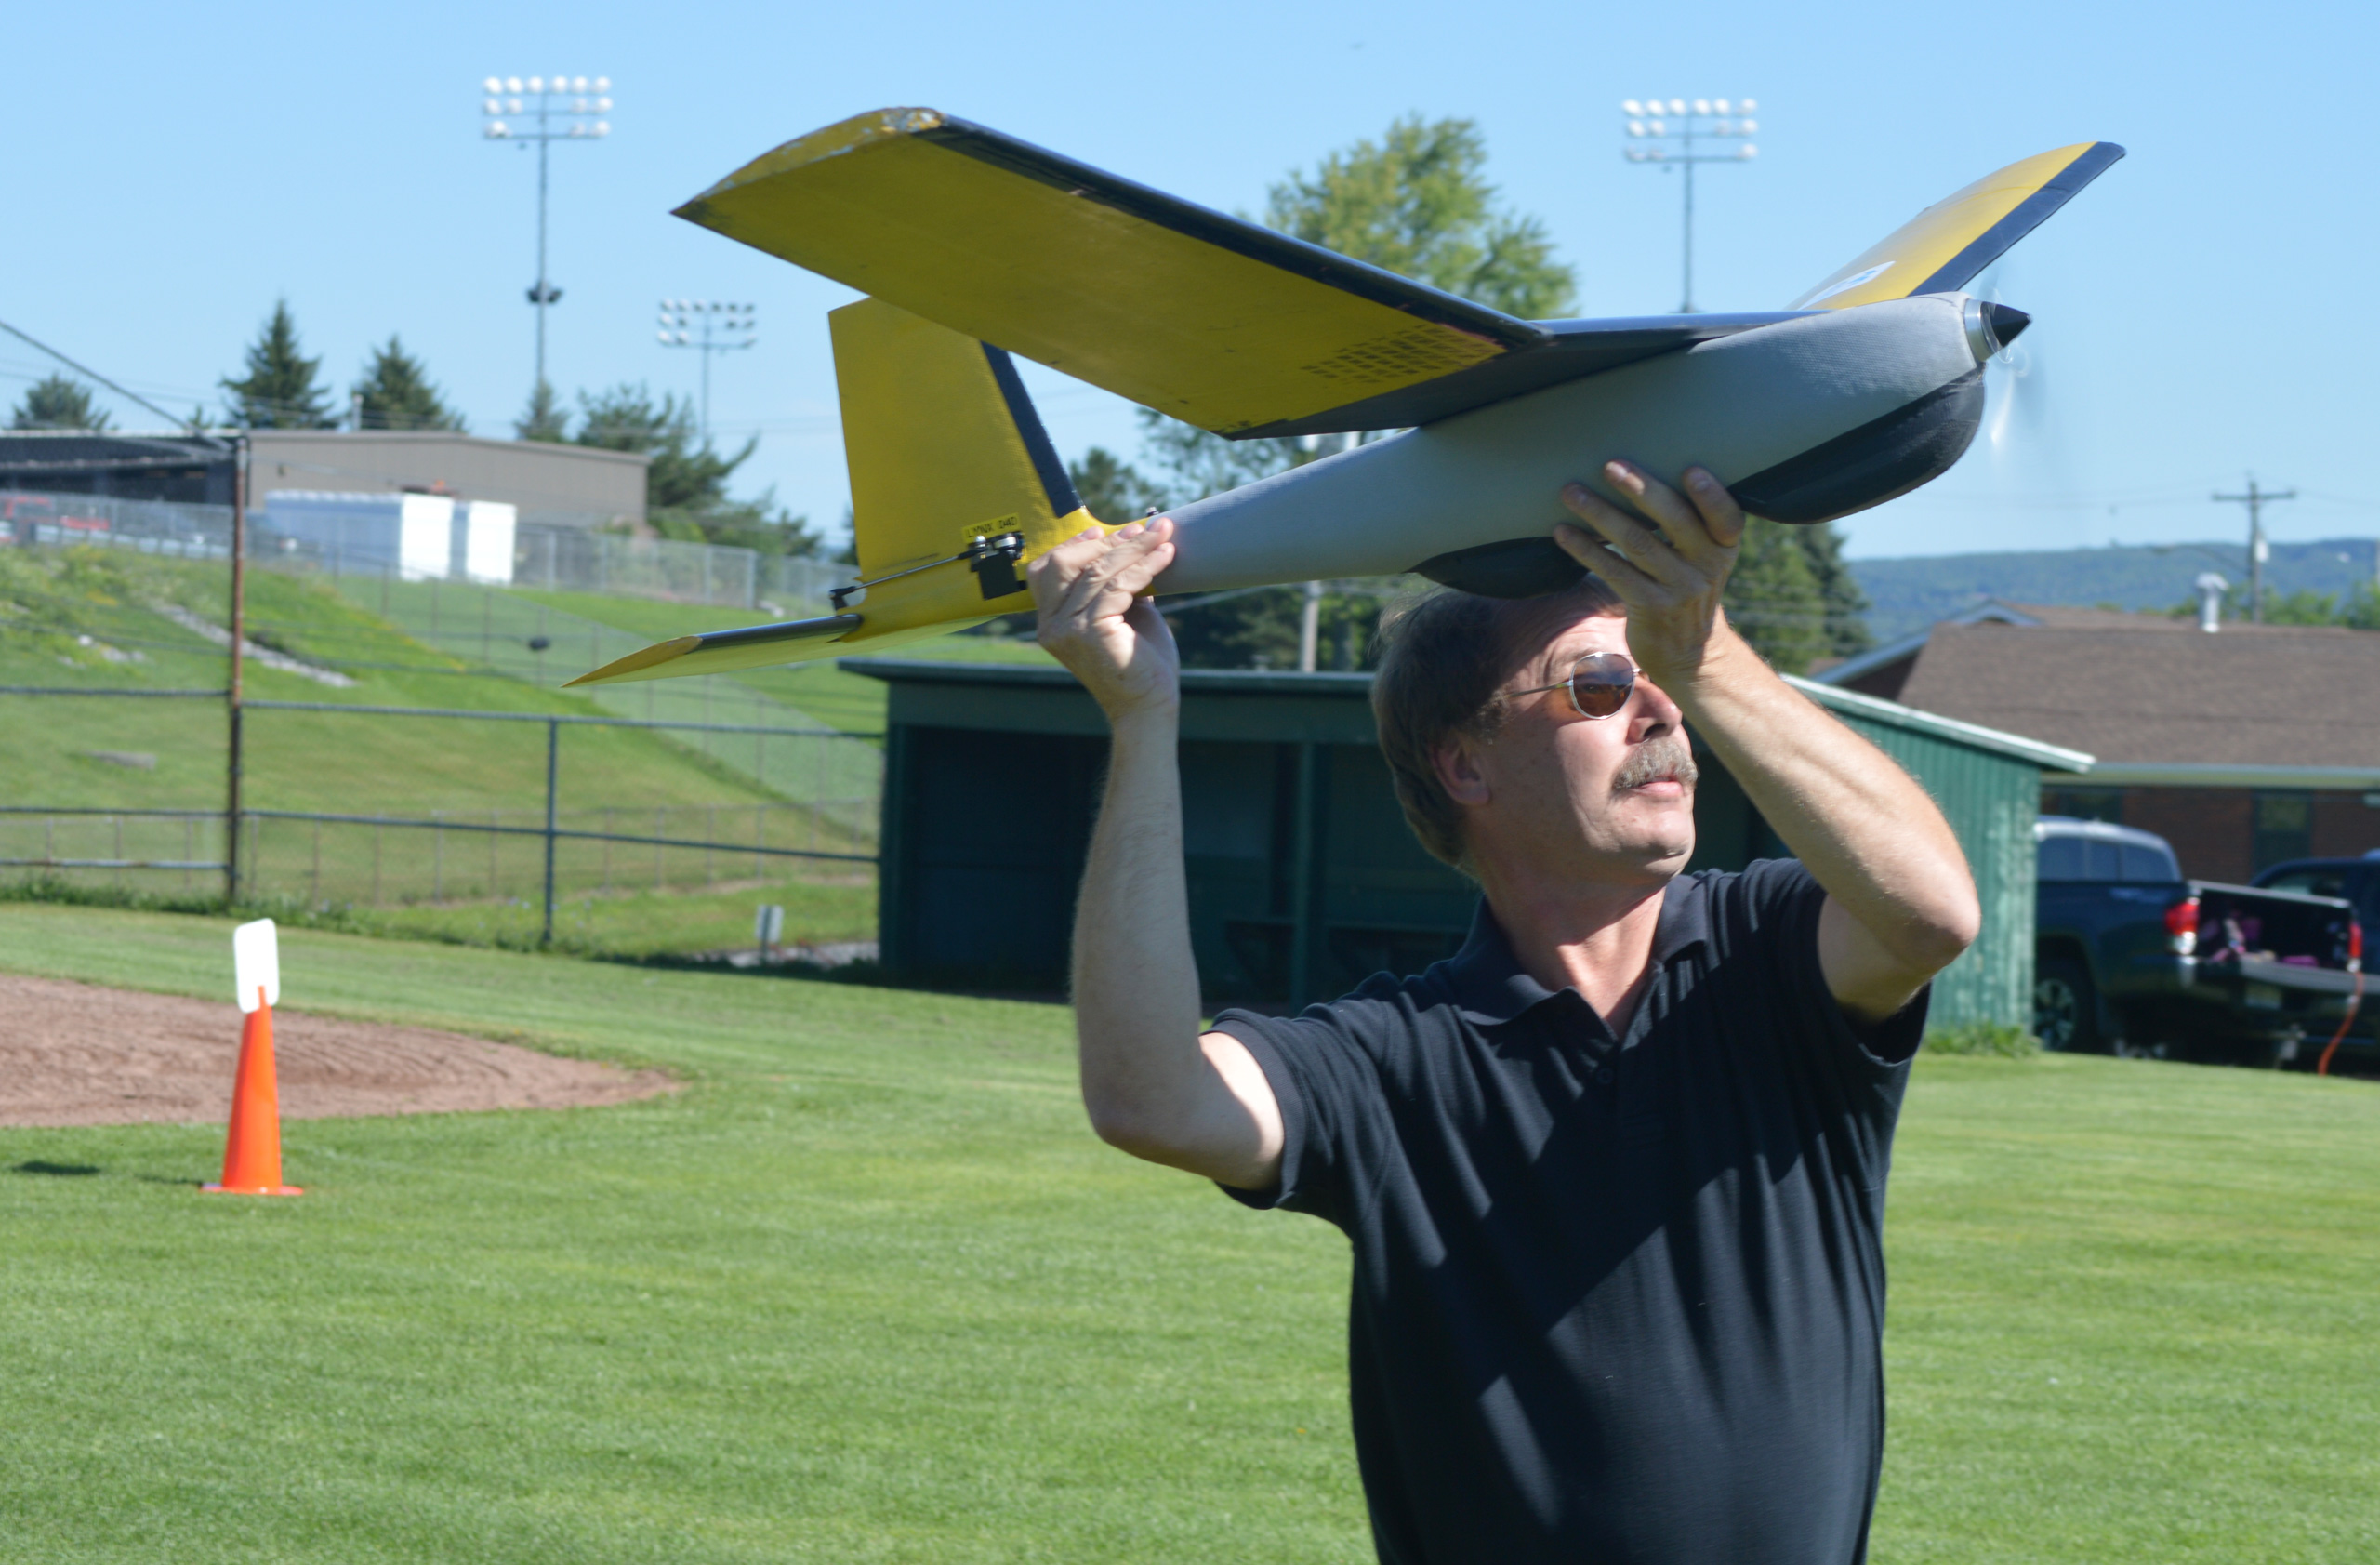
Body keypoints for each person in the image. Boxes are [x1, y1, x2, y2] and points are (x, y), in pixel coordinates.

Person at [1027, 459, 1980, 1565]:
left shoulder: (1773, 954)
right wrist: (1142, 718)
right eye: (1598, 686)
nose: (1659, 709)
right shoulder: (1396, 1059)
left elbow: (1931, 917)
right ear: (1465, 764)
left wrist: (1706, 652)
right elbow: (1152, 1099)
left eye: (1660, 677)